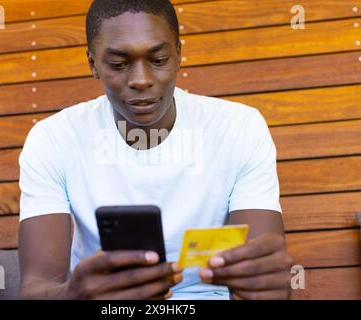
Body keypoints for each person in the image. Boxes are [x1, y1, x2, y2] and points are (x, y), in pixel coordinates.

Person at [18, 0, 293, 300]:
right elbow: (36, 288)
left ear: (178, 54)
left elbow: (263, 280)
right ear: (93, 63)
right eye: (119, 65)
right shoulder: (53, 139)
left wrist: (271, 288)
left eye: (159, 59)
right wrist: (73, 296)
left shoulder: (239, 128)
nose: (141, 80)